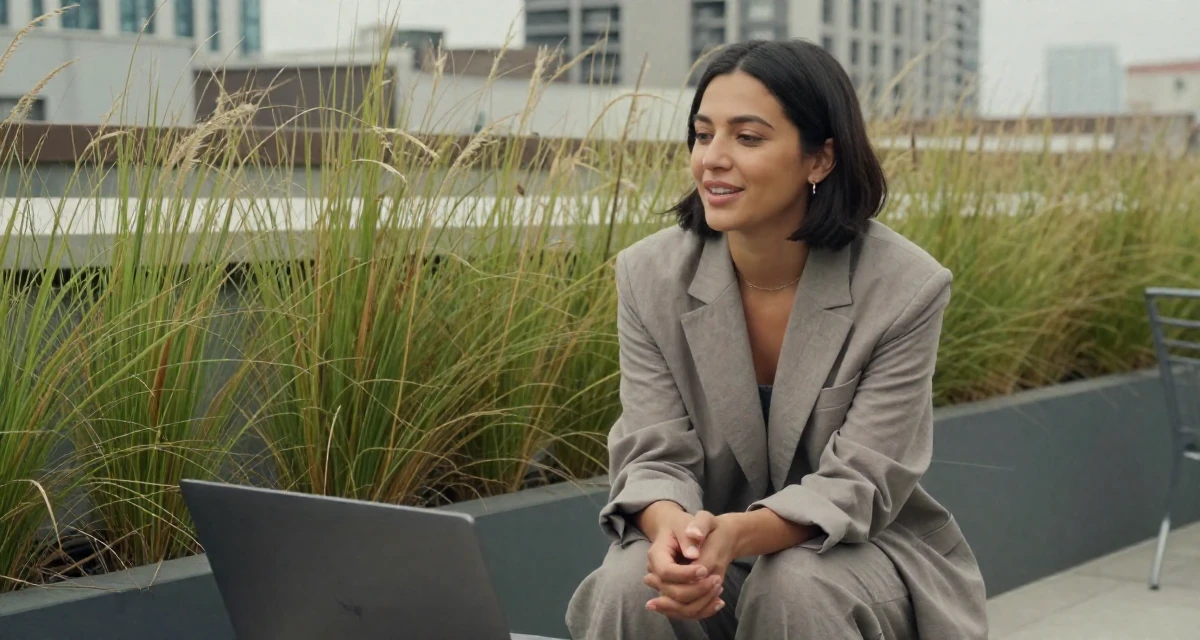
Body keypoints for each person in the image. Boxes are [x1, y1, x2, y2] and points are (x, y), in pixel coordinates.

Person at [565, 39, 988, 640]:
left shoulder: (905, 288)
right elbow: (653, 452)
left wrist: (736, 532)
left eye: (748, 137)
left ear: (820, 159)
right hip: (713, 544)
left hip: (861, 555)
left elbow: (860, 483)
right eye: (703, 133)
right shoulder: (648, 276)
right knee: (629, 581)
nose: (713, 157)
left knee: (793, 582)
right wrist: (674, 538)